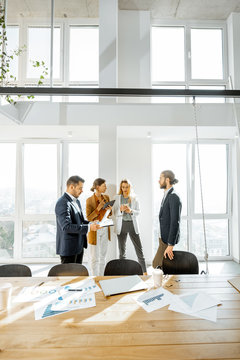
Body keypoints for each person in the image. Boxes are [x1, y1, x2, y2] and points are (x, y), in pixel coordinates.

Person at [55, 175, 100, 264]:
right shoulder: (63, 202)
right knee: (69, 276)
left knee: (78, 275)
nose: (82, 191)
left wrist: (91, 223)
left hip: (78, 246)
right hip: (68, 249)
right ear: (72, 187)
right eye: (80, 188)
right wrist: (89, 228)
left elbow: (81, 220)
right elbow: (66, 227)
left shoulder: (76, 201)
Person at [114, 179, 147, 275]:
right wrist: (120, 210)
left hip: (132, 224)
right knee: (122, 251)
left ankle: (144, 273)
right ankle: (122, 272)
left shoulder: (134, 198)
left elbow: (138, 212)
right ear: (121, 187)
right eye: (123, 187)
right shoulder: (117, 198)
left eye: (126, 187)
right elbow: (114, 213)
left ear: (130, 187)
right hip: (122, 225)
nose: (124, 189)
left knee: (139, 250)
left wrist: (130, 211)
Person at [152, 170, 182, 269]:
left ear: (167, 180)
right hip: (163, 238)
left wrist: (170, 244)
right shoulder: (166, 195)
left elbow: (175, 222)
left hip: (167, 240)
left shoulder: (174, 196)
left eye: (160, 178)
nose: (158, 181)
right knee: (159, 265)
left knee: (156, 264)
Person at [86, 178, 112, 276]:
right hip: (95, 229)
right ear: (97, 187)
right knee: (94, 257)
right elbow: (88, 217)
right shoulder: (89, 200)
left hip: (105, 227)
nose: (106, 187)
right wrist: (98, 208)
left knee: (103, 255)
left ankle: (101, 277)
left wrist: (110, 210)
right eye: (104, 186)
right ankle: (94, 278)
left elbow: (109, 214)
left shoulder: (106, 197)